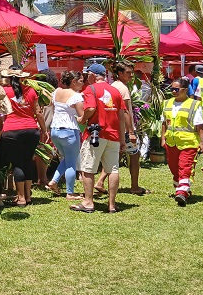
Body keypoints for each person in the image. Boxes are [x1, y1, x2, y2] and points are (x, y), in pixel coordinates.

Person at [70, 63, 126, 214]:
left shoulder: (91, 88)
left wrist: (82, 118)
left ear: (93, 75)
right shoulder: (115, 90)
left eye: (88, 75)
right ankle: (112, 205)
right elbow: (121, 116)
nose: (87, 78)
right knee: (113, 169)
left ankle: (88, 202)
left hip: (96, 134)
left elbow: (90, 108)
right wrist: (122, 139)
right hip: (113, 136)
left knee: (88, 169)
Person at [96, 61, 148, 196]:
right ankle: (134, 186)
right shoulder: (123, 89)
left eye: (132, 72)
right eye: (128, 73)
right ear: (119, 74)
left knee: (114, 157)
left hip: (114, 128)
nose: (131, 75)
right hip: (124, 129)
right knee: (134, 156)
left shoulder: (112, 86)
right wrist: (131, 132)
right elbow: (124, 112)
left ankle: (100, 182)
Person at [1, 65, 47, 207]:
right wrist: (44, 130)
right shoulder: (31, 91)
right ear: (22, 77)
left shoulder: (4, 92)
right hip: (31, 130)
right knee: (27, 162)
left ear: (8, 77)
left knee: (17, 164)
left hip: (11, 131)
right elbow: (38, 112)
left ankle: (20, 197)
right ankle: (28, 196)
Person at [161, 77, 203, 206]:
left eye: (176, 89)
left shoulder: (194, 104)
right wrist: (163, 138)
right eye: (172, 89)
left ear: (185, 90)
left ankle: (181, 193)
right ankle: (181, 188)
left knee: (184, 167)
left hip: (189, 142)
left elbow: (199, 126)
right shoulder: (167, 103)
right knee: (174, 168)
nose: (173, 91)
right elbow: (164, 123)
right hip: (171, 142)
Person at [47, 71, 85, 200]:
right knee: (71, 162)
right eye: (81, 81)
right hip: (69, 131)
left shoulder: (56, 92)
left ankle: (54, 181)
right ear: (73, 81)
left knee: (68, 159)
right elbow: (82, 117)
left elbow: (52, 105)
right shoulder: (77, 96)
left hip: (55, 130)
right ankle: (70, 192)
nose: (83, 83)